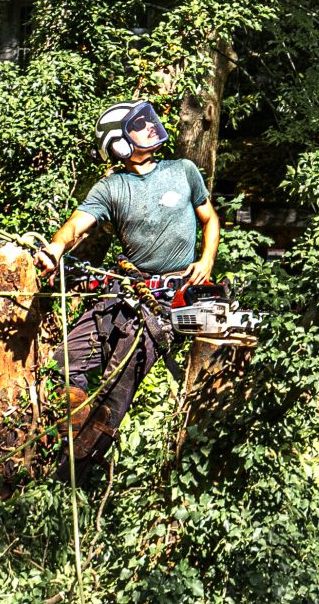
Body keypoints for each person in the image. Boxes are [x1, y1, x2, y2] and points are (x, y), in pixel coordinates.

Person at [38, 100, 220, 470]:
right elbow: (78, 224)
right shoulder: (112, 188)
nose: (152, 127)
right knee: (64, 364)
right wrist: (56, 247)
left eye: (149, 120)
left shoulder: (183, 171)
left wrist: (206, 261)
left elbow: (210, 219)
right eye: (140, 124)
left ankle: (76, 468)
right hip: (127, 289)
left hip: (171, 297)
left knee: (117, 384)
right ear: (120, 144)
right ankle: (51, 444)